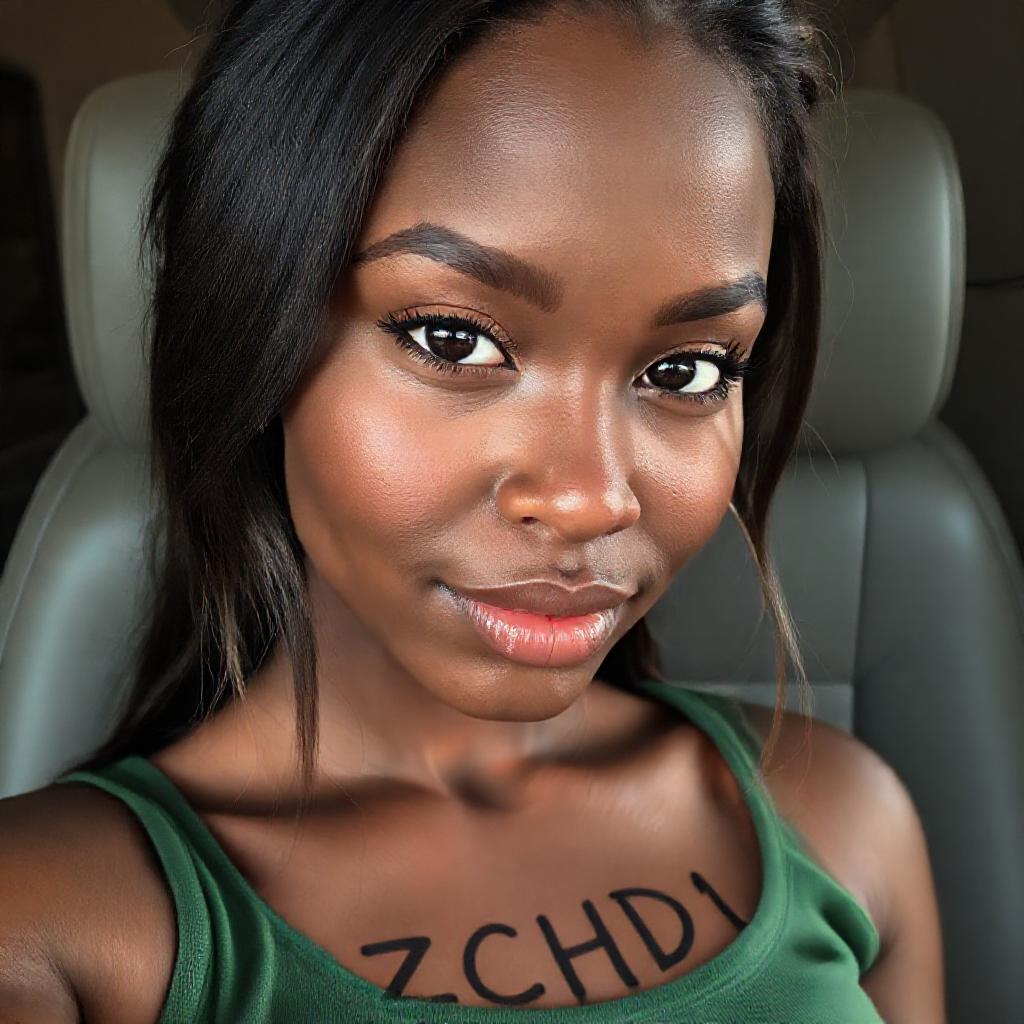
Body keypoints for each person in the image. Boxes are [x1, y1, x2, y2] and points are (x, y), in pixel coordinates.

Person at [0, 1, 946, 1021]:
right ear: (253, 335)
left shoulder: (845, 820)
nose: (589, 499)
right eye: (453, 341)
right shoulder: (53, 930)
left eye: (687, 369)